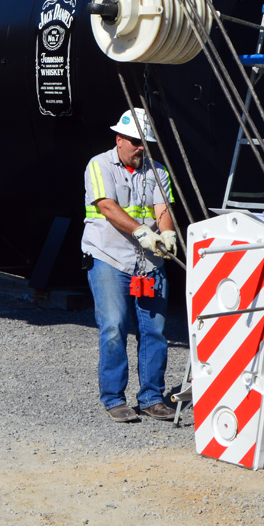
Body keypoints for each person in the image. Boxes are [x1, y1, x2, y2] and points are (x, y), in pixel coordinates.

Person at [82, 108, 178, 423]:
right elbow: (107, 206)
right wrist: (141, 231)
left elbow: (163, 209)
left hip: (148, 263)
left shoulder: (157, 171)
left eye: (145, 143)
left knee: (154, 331)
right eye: (135, 142)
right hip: (110, 258)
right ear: (119, 139)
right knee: (114, 327)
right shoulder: (99, 165)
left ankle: (152, 398)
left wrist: (167, 233)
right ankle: (114, 399)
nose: (140, 148)